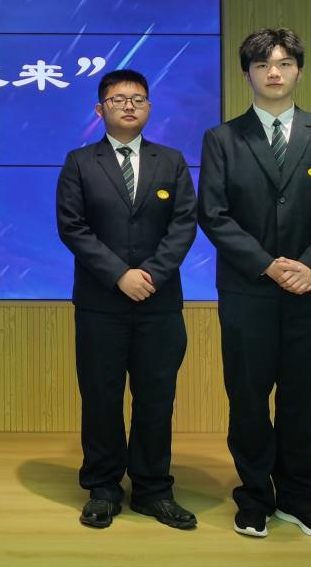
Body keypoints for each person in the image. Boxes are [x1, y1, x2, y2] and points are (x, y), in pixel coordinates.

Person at [198, 28, 311, 540]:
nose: (274, 72)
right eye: (263, 64)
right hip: (248, 291)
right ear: (246, 74)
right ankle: (254, 498)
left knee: (301, 400)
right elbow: (214, 214)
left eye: (285, 63)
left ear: (299, 71)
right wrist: (267, 265)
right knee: (248, 398)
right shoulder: (222, 139)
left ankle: (299, 498)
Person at [56, 69, 199, 530]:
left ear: (149, 108)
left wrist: (150, 275)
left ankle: (154, 489)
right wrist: (119, 275)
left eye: (138, 99)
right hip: (101, 303)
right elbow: (72, 227)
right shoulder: (80, 162)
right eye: (118, 99)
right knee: (101, 397)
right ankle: (102, 488)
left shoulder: (171, 161)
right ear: (100, 110)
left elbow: (184, 224)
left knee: (157, 398)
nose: (129, 106)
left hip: (159, 302)